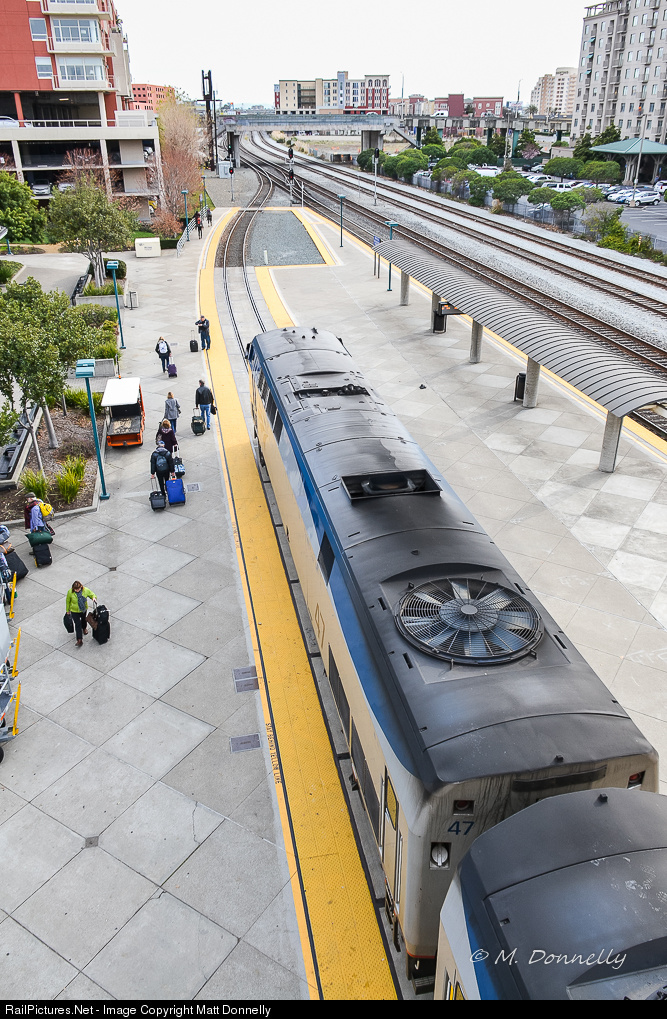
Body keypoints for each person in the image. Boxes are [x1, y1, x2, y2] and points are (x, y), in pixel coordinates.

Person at [66, 580, 97, 647]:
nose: (77, 590)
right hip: (74, 611)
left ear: (81, 587)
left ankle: (84, 628)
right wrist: (67, 610)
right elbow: (68, 601)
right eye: (75, 589)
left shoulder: (85, 590)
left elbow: (91, 594)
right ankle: (79, 640)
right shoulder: (70, 592)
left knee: (83, 620)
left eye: (78, 589)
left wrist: (93, 598)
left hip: (83, 610)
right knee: (77, 624)